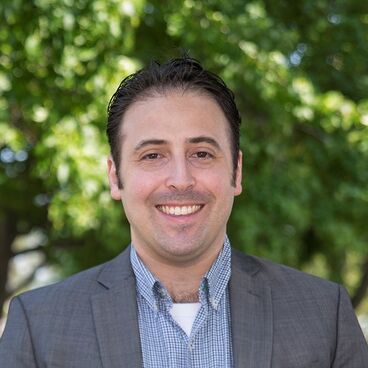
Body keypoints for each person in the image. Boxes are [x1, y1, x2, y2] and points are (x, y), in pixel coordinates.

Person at [0, 57, 367, 367]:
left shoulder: (324, 317)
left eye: (202, 153)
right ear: (116, 178)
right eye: (153, 155)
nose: (180, 179)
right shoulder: (39, 327)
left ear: (236, 172)